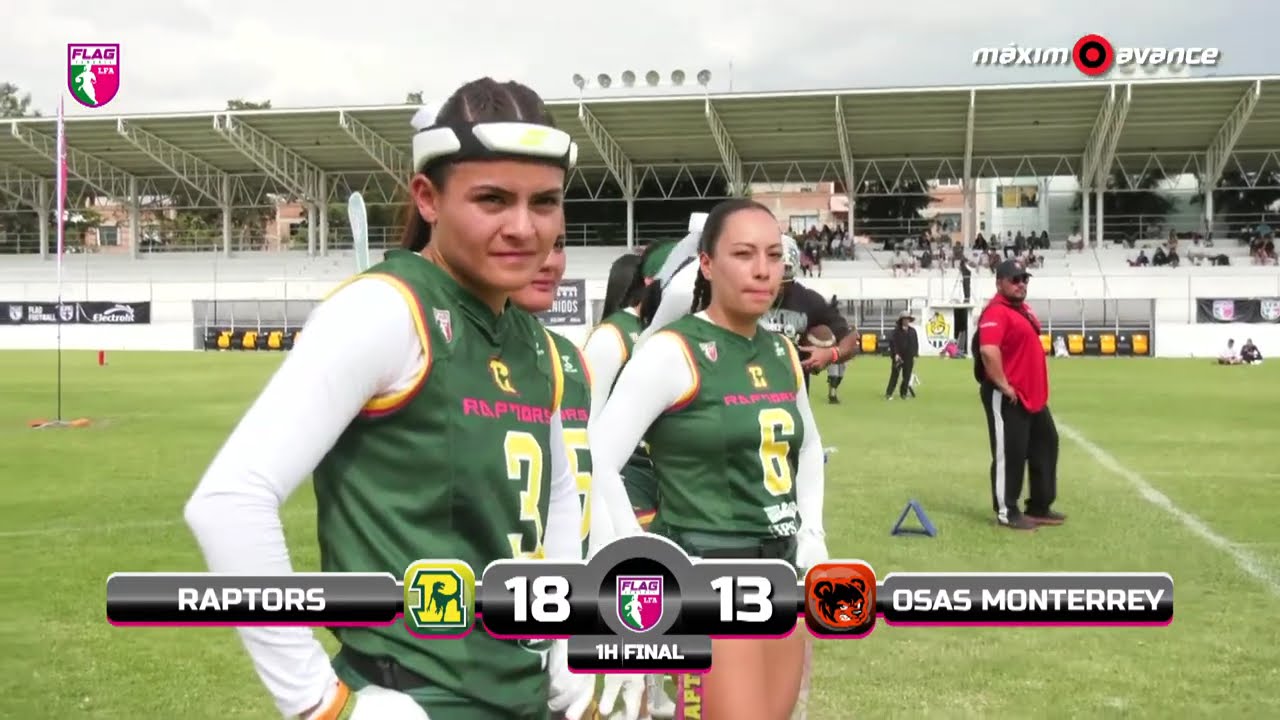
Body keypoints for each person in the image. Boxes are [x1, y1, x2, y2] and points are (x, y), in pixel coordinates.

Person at [183, 79, 599, 720]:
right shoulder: (385, 310)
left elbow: (561, 494)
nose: (523, 227)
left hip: (520, 692)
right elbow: (229, 502)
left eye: (545, 202)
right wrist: (319, 702)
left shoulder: (533, 342)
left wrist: (566, 632)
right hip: (415, 696)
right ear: (428, 198)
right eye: (492, 199)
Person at [590, 198, 828, 720]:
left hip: (782, 571)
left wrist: (813, 533)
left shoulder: (781, 351)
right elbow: (600, 457)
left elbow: (809, 446)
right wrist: (639, 560)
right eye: (743, 254)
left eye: (773, 255)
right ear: (706, 263)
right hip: (709, 574)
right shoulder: (672, 350)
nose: (762, 270)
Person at [581, 241, 680, 720]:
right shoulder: (612, 339)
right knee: (634, 620)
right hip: (623, 496)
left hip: (659, 494)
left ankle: (651, 698)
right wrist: (607, 519)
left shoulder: (660, 338)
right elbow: (584, 433)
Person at [973, 259, 1064, 532]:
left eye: (1024, 279)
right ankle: (1007, 511)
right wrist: (1003, 385)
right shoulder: (996, 312)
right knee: (1010, 453)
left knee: (1046, 443)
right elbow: (988, 350)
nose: (1021, 284)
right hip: (1008, 396)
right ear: (999, 283)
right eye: (1014, 279)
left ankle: (1039, 506)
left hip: (1031, 395)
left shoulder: (1022, 310)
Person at [884, 311, 919, 400]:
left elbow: (915, 344)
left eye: (908, 319)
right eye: (904, 319)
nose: (906, 321)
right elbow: (893, 343)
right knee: (894, 375)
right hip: (898, 357)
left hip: (909, 357)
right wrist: (896, 354)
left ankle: (903, 393)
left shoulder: (913, 331)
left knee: (907, 376)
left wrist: (915, 355)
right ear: (901, 320)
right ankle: (889, 393)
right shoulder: (896, 331)